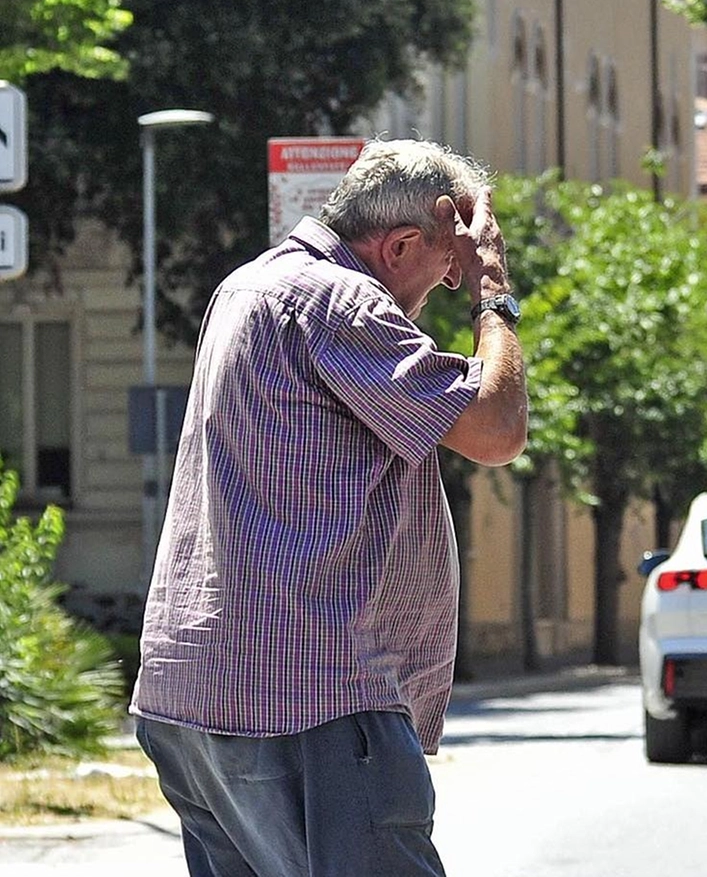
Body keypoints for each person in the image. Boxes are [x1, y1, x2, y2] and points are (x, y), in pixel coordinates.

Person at [130, 138, 528, 877]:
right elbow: (497, 429)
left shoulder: (246, 288)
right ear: (403, 242)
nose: (443, 291)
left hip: (194, 695)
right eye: (447, 269)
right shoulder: (342, 302)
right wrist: (494, 295)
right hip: (312, 695)